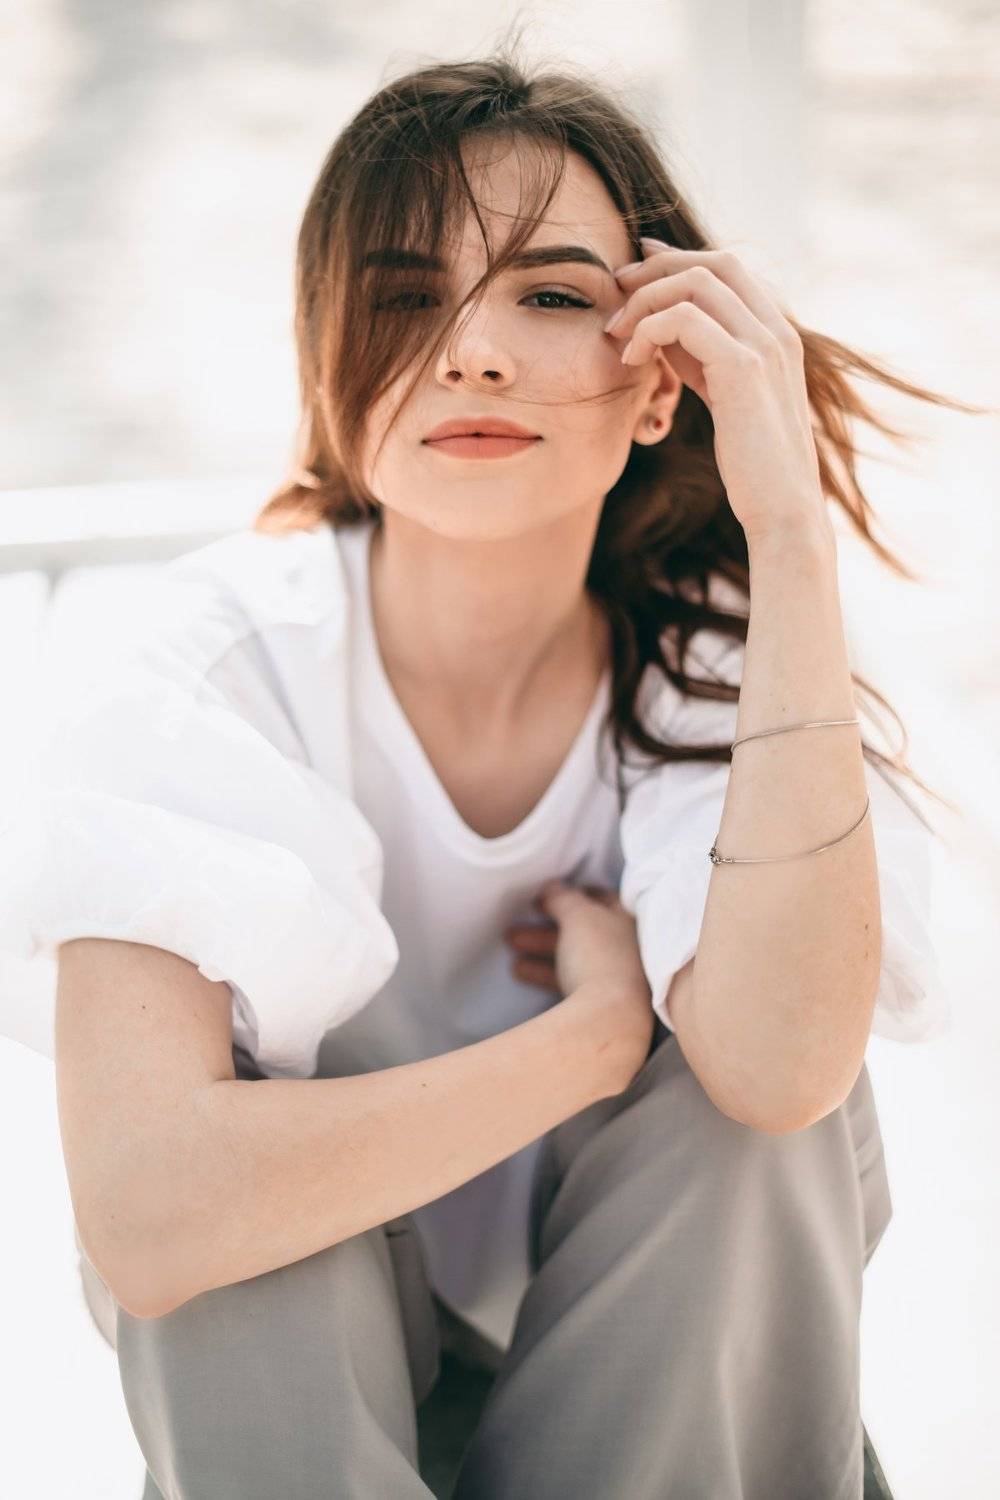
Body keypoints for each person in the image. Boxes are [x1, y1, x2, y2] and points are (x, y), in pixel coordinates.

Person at [12, 43, 979, 1500]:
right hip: (307, 1427)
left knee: (755, 1108)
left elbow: (784, 1076)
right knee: (238, 1191)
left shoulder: (722, 672)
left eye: (552, 294)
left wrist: (789, 532)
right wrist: (592, 1034)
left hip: (683, 1412)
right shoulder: (199, 672)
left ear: (659, 383)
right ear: (331, 368)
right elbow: (150, 1219)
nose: (472, 350)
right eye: (408, 297)